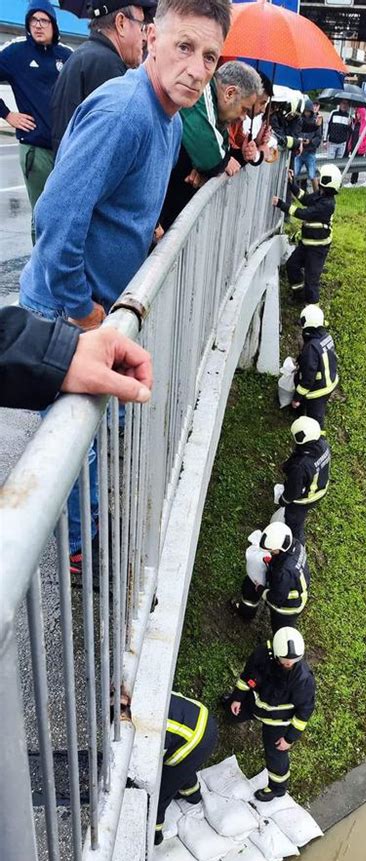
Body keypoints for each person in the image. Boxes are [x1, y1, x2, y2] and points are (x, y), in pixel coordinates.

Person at [19, 0, 231, 575]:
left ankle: (82, 533)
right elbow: (56, 219)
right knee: (75, 444)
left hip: (96, 305)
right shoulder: (125, 112)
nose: (196, 67)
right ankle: (76, 553)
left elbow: (114, 204)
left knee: (91, 435)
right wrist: (85, 313)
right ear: (151, 38)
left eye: (209, 56)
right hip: (68, 309)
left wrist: (148, 230)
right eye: (184, 47)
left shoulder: (165, 115)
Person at [159, 60, 261, 230]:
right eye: (244, 109)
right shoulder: (203, 92)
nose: (244, 117)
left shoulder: (216, 108)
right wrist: (212, 163)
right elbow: (212, 160)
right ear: (229, 93)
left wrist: (208, 165)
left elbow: (220, 149)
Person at [0, 1, 72, 241]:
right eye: (33, 20)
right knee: (42, 214)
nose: (38, 26)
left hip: (66, 149)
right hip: (36, 149)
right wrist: (7, 114)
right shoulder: (16, 52)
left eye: (44, 21)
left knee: (66, 211)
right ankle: (41, 273)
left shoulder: (67, 55)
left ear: (54, 24)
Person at [51, 0, 157, 156]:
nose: (143, 38)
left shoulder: (84, 56)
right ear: (121, 23)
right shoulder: (107, 66)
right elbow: (117, 149)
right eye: (141, 27)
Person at [222, 627, 315, 801]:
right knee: (231, 711)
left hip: (277, 721)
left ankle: (277, 788)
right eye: (286, 660)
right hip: (254, 704)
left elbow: (305, 710)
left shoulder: (302, 679)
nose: (289, 664)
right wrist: (237, 698)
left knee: (276, 754)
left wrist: (289, 738)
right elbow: (247, 677)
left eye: (293, 661)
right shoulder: (261, 655)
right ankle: (230, 705)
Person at [0, 306, 153, 410]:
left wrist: (62, 350)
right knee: (64, 431)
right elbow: (56, 258)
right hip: (57, 311)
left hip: (46, 335)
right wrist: (81, 309)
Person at [272, 163, 341, 305]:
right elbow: (305, 198)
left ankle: (313, 316)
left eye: (321, 177)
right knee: (292, 265)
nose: (318, 178)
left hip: (318, 249)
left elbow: (304, 213)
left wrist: (281, 205)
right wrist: (292, 184)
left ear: (326, 181)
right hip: (306, 244)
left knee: (312, 280)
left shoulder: (327, 204)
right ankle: (299, 296)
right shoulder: (321, 195)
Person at [154, 692, 218, 844]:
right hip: (202, 719)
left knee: (161, 790)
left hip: (194, 740)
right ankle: (192, 794)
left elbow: (151, 767)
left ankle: (154, 833)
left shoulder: (146, 725)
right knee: (183, 768)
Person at [232, 521, 309, 633]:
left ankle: (279, 645)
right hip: (291, 586)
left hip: (287, 607)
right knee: (249, 587)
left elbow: (276, 598)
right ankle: (246, 613)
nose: (270, 553)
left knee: (281, 631)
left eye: (272, 552)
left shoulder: (283, 571)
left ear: (280, 548)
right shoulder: (296, 544)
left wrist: (261, 590)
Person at [275, 417, 331, 544]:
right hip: (320, 488)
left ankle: (297, 547)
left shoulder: (300, 467)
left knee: (294, 523)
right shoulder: (322, 444)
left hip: (305, 499)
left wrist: (283, 500)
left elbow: (293, 490)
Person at [292, 303, 338, 426]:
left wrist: (297, 398)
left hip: (319, 391)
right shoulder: (326, 336)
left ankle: (318, 440)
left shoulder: (311, 347)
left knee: (316, 419)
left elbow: (307, 379)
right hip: (331, 380)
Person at [228, 73, 273, 167]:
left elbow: (241, 146)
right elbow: (227, 155)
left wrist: (257, 141)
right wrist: (259, 153)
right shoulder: (228, 118)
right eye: (262, 103)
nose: (263, 110)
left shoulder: (238, 121)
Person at [294, 98, 322, 192]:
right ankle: (293, 193)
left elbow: (318, 137)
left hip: (310, 152)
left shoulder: (315, 120)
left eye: (308, 112)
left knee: (312, 175)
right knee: (294, 173)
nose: (307, 114)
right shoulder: (299, 120)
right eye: (305, 112)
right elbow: (296, 133)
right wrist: (299, 141)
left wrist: (310, 142)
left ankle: (317, 194)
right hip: (299, 152)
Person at [347, 105, 366, 185]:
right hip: (354, 146)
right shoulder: (355, 123)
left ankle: (353, 181)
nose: (357, 114)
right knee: (352, 164)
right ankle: (352, 181)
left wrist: (363, 144)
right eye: (356, 113)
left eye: (358, 113)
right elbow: (352, 134)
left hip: (360, 148)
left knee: (356, 165)